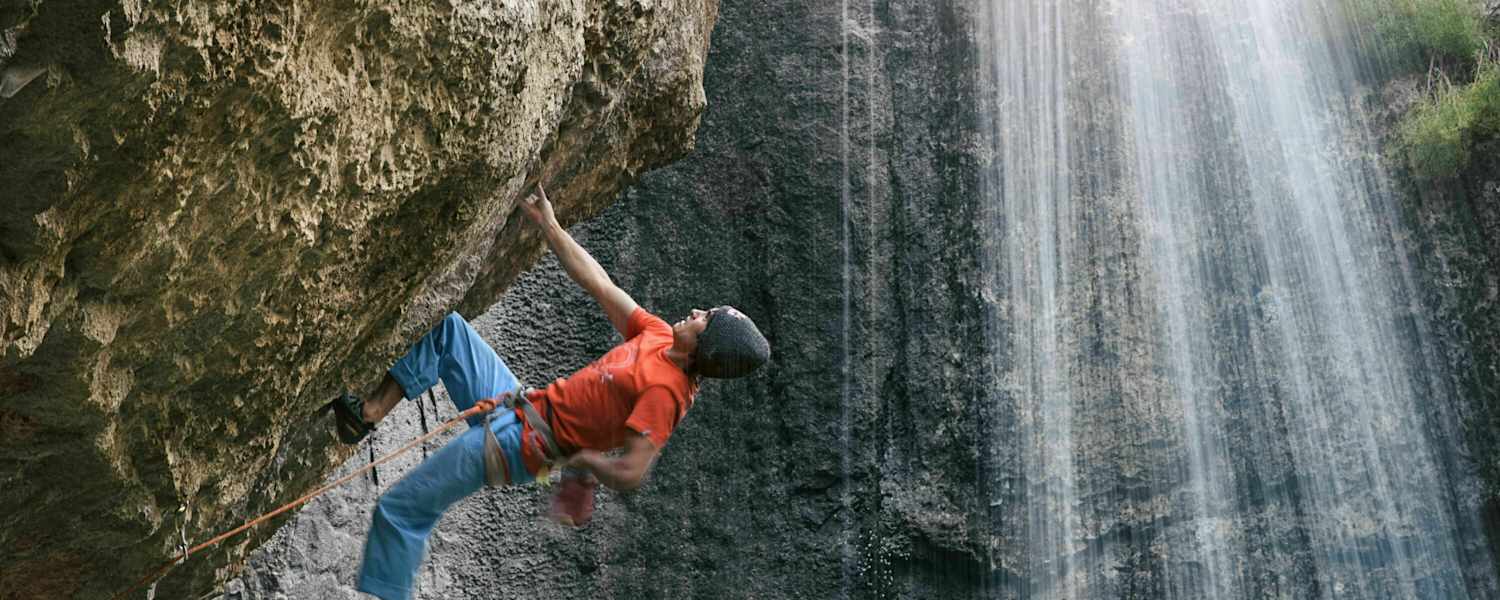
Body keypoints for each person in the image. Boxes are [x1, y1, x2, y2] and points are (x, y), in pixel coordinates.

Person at [327, 183, 770, 600]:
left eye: (705, 317)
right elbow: (599, 283)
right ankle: (364, 415)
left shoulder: (667, 393)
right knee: (449, 331)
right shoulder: (656, 336)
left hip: (520, 446)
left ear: (705, 347)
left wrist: (584, 464)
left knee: (400, 512)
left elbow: (634, 470)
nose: (695, 311)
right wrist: (550, 226)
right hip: (519, 403)